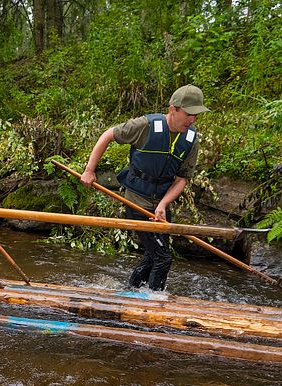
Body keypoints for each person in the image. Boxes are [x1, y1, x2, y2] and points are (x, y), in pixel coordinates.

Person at [80, 84, 210, 292]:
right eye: (188, 114)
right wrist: (89, 170)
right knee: (163, 258)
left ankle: (132, 292)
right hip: (136, 201)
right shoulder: (145, 126)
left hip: (160, 204)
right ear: (172, 109)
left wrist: (164, 204)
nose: (192, 120)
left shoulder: (190, 139)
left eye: (196, 116)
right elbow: (108, 135)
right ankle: (154, 302)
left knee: (153, 256)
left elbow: (182, 179)